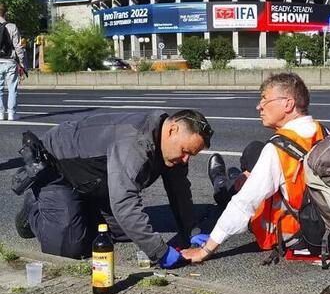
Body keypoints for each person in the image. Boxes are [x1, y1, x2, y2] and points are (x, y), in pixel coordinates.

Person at [15, 109, 213, 268]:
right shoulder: (135, 142)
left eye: (191, 155)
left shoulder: (171, 149)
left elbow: (180, 192)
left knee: (125, 232)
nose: (186, 159)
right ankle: (33, 208)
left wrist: (192, 232)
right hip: (59, 169)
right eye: (186, 151)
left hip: (96, 179)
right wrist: (160, 253)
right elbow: (125, 204)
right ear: (172, 130)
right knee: (68, 246)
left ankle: (78, 207)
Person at [181, 73, 326, 263]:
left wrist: (205, 250)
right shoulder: (324, 132)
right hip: (329, 226)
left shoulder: (278, 149)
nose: (259, 106)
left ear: (288, 104)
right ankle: (235, 176)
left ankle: (221, 180)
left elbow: (243, 204)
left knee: (232, 192)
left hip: (298, 236)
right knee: (254, 149)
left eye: (265, 99)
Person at [0, 3, 27, 121]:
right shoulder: (12, 27)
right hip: (10, 62)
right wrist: (22, 63)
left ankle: (0, 113)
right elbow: (18, 47)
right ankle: (11, 113)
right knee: (12, 88)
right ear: (5, 13)